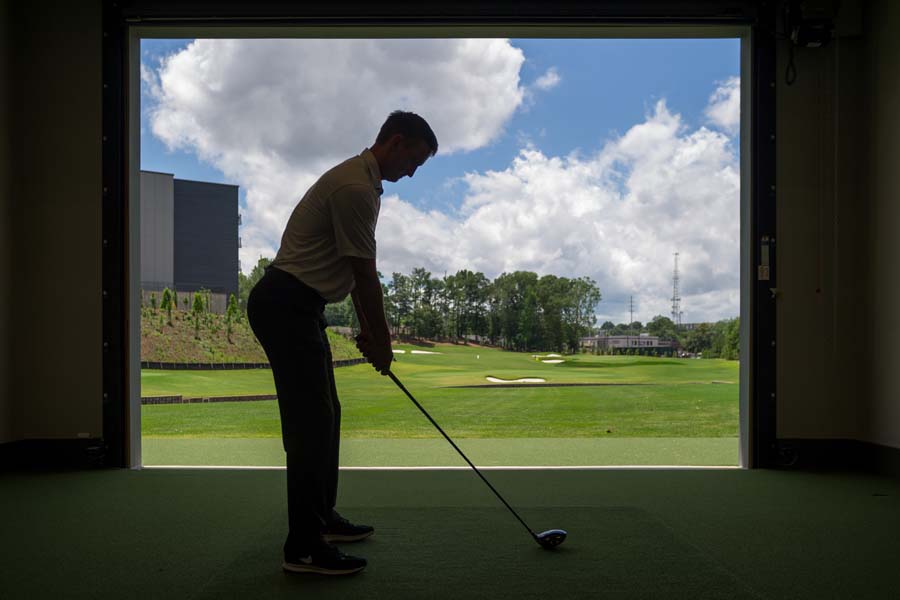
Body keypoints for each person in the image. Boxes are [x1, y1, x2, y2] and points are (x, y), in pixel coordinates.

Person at [247, 111, 438, 576]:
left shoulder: (364, 184)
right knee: (310, 424)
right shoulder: (354, 188)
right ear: (395, 142)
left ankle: (321, 519)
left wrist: (371, 333)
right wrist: (384, 340)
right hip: (285, 304)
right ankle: (305, 547)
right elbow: (364, 274)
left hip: (301, 307)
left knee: (326, 415)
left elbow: (351, 274)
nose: (412, 172)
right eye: (414, 160)